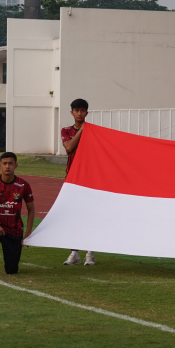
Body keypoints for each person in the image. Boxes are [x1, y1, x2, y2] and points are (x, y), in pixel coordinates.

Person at [60, 98, 95, 266]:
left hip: (89, 178)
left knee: (89, 215)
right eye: (77, 110)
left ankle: (90, 253)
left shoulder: (94, 132)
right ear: (72, 112)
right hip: (72, 178)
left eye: (83, 111)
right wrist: (82, 131)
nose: (80, 113)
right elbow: (68, 148)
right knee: (72, 215)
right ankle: (74, 252)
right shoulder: (66, 130)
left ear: (87, 113)